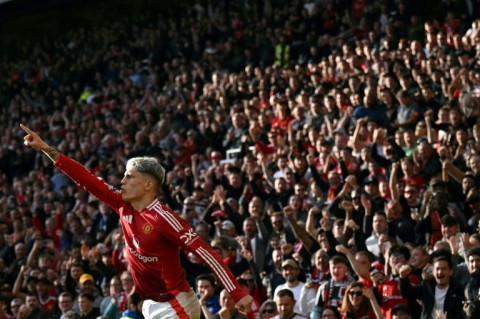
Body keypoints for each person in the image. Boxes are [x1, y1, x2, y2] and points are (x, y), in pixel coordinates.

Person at [20, 124, 252, 319]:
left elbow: (207, 254)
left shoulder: (164, 218)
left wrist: (237, 292)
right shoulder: (122, 204)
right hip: (150, 304)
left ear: (148, 185)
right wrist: (47, 149)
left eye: (129, 176)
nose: (122, 181)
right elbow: (87, 180)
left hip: (176, 304)